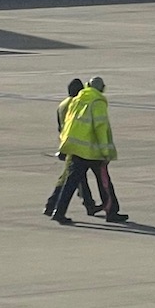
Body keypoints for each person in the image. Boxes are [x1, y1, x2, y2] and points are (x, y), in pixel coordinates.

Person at [48, 76, 128, 223]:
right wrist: (105, 152)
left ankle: (58, 211)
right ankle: (111, 212)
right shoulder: (97, 102)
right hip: (92, 151)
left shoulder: (77, 99)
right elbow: (100, 127)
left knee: (70, 183)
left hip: (76, 148)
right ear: (101, 88)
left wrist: (66, 146)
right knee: (104, 182)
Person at [46, 77, 100, 216]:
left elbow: (60, 126)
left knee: (77, 177)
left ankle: (88, 204)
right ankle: (52, 205)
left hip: (66, 143)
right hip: (76, 145)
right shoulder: (77, 104)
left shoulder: (62, 104)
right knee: (69, 178)